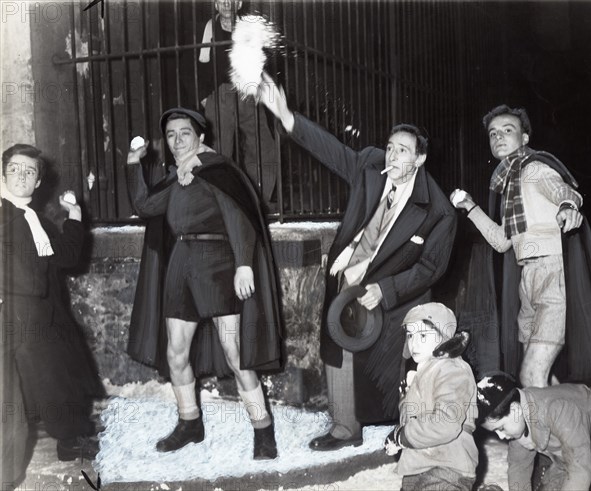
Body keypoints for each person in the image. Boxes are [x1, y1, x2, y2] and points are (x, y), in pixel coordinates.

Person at [258, 74, 457, 450]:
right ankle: (344, 429)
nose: (394, 156)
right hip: (349, 276)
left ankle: (408, 433)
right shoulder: (369, 166)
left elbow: (432, 267)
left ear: (420, 158)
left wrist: (385, 290)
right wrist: (287, 117)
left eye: (403, 150)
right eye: (391, 147)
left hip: (398, 294)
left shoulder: (439, 211)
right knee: (338, 345)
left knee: (394, 368)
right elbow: (330, 149)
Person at [125, 108, 282, 459]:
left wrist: (244, 265)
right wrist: (134, 164)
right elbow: (145, 206)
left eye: (184, 133)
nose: (177, 140)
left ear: (200, 136)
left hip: (218, 266)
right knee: (175, 352)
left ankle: (262, 429)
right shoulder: (174, 177)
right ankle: (189, 422)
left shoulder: (218, 170)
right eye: (170, 135)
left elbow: (239, 218)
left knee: (236, 354)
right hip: (180, 267)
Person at [451, 104, 591, 387]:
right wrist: (471, 208)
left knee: (531, 375)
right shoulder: (509, 185)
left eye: (508, 130)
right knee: (549, 376)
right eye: (493, 133)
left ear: (525, 138)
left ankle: (538, 431)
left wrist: (568, 207)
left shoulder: (533, 169)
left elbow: (565, 191)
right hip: (528, 280)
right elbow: (501, 242)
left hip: (551, 274)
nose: (498, 137)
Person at [1, 144, 104, 486]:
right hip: (10, 314)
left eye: (29, 171)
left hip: (42, 312)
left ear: (38, 182)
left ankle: (69, 437)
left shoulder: (37, 220)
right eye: (14, 169)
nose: (21, 176)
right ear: (3, 174)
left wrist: (74, 214)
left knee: (56, 372)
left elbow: (67, 258)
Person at [384, 303, 478, 491]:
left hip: (448, 463)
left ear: (443, 338)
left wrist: (402, 437)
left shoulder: (453, 369)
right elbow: (411, 420)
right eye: (410, 335)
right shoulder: (420, 373)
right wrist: (406, 394)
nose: (414, 343)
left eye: (423, 335)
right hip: (417, 463)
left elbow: (446, 423)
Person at [199, 0, 278, 203]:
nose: (226, 3)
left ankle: (259, 201)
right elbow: (202, 64)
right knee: (218, 150)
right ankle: (218, 201)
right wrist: (204, 96)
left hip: (247, 91)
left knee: (262, 146)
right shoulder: (211, 26)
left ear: (239, 3)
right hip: (220, 93)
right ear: (215, 4)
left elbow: (262, 61)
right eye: (220, 0)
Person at [477, 372, 591, 491]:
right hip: (573, 459)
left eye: (501, 428)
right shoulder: (519, 417)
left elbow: (580, 471)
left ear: (515, 410)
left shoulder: (558, 409)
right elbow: (519, 468)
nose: (501, 436)